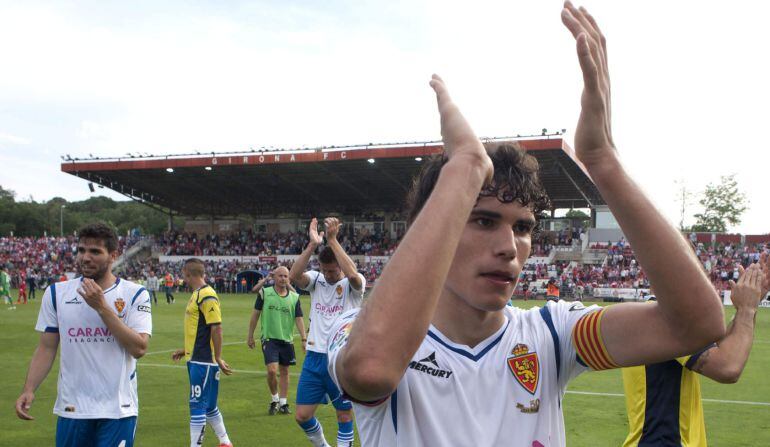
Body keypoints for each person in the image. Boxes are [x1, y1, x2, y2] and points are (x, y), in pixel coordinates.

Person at [324, 3, 725, 445]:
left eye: (523, 227)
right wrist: (463, 171)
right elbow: (369, 370)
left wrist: (604, 162)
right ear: (432, 227)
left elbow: (697, 325)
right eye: (483, 220)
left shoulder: (553, 334)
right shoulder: (357, 328)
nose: (509, 246)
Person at [14, 223, 152, 447]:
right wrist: (29, 389)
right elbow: (47, 347)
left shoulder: (135, 294)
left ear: (113, 255)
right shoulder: (56, 294)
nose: (85, 257)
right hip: (72, 409)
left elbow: (139, 348)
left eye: (95, 252)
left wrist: (102, 307)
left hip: (118, 410)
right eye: (81, 250)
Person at [622, 260, 770, 446]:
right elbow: (729, 367)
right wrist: (747, 309)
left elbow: (722, 348)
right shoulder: (666, 319)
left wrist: (749, 306)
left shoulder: (660, 315)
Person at [288, 217, 366, 447]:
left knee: (343, 415)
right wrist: (313, 245)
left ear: (340, 266)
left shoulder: (353, 285)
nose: (328, 275)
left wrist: (332, 240)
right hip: (314, 357)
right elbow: (293, 277)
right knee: (302, 415)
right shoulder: (316, 280)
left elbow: (352, 276)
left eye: (332, 271)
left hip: (340, 358)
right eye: (324, 270)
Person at [171, 258, 233, 447]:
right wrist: (185, 350)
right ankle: (225, 442)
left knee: (197, 405)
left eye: (184, 275)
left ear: (188, 274)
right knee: (209, 406)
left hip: (203, 361)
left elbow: (216, 327)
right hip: (197, 357)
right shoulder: (198, 294)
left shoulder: (207, 294)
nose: (183, 278)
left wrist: (218, 356)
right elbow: (200, 329)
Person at [247, 267, 306, 415]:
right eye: (280, 276)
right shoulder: (265, 293)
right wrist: (250, 335)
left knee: (285, 371)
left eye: (286, 276)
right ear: (274, 277)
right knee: (272, 371)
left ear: (289, 279)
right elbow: (255, 315)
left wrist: (304, 338)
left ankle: (283, 403)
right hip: (269, 338)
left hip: (287, 339)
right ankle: (274, 399)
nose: (283, 279)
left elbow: (299, 319)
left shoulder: (294, 297)